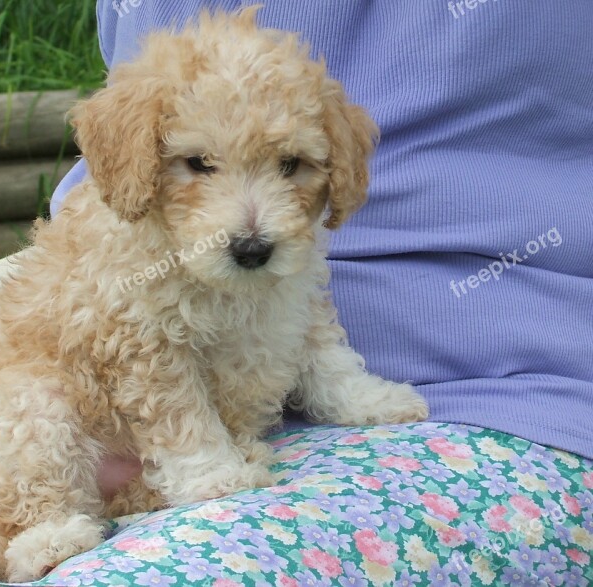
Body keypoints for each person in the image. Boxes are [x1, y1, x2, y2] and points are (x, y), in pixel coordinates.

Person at [48, 1, 593, 583]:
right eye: (199, 164)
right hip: (112, 436)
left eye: (291, 166)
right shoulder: (134, 246)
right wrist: (196, 462)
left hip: (525, 399)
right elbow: (138, 352)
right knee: (21, 419)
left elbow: (304, 307)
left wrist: (343, 391)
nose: (252, 227)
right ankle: (37, 519)